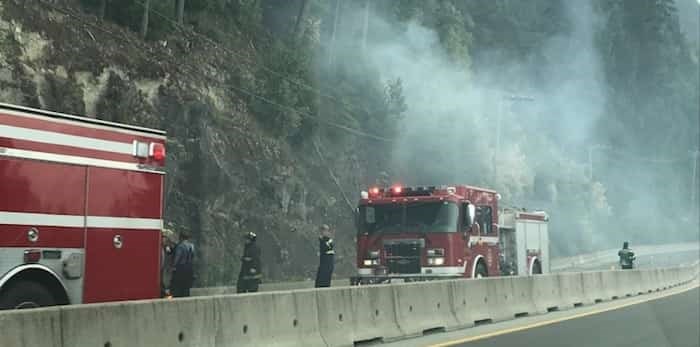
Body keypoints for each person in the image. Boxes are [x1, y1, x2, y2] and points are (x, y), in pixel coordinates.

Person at [171, 231, 195, 297]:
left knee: (179, 284)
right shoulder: (191, 246)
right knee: (186, 285)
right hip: (189, 268)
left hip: (181, 268)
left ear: (181, 237)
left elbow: (177, 257)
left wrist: (173, 266)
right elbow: (192, 256)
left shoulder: (180, 246)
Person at [160, 228, 175, 298]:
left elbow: (170, 251)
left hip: (162, 267)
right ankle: (163, 292)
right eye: (164, 238)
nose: (165, 240)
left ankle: (163, 292)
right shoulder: (159, 248)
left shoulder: (165, 247)